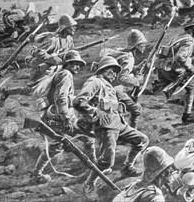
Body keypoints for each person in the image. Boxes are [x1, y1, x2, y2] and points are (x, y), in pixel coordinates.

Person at [74, 56, 149, 194]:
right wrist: (95, 112)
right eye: (112, 70)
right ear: (104, 69)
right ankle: (89, 184)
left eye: (116, 71)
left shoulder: (109, 86)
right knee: (107, 161)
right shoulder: (95, 82)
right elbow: (79, 102)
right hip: (105, 126)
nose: (115, 74)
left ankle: (127, 167)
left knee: (142, 140)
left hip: (118, 124)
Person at [30, 51, 95, 184]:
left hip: (54, 114)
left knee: (56, 145)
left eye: (78, 64)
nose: (77, 67)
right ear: (67, 64)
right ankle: (95, 167)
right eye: (74, 64)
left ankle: (36, 174)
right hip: (60, 116)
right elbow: (60, 98)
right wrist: (66, 118)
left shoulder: (60, 73)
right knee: (87, 137)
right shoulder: (66, 74)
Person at [0, 14, 78, 106]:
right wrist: (52, 58)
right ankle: (6, 92)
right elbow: (39, 53)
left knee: (55, 90)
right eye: (72, 26)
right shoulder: (53, 39)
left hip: (58, 69)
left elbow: (70, 53)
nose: (75, 28)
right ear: (65, 27)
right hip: (44, 70)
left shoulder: (69, 39)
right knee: (31, 91)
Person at [152, 15, 194, 124]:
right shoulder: (189, 41)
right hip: (173, 69)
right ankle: (187, 115)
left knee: (165, 85)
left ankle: (158, 87)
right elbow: (180, 57)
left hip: (162, 67)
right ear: (192, 28)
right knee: (191, 87)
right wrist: (189, 67)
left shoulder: (180, 36)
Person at [99, 29, 148, 127]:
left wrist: (137, 67)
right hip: (114, 89)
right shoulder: (129, 58)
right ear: (137, 46)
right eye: (142, 45)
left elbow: (120, 68)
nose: (144, 48)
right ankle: (132, 131)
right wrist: (137, 81)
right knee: (136, 109)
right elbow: (122, 78)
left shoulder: (122, 53)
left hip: (106, 87)